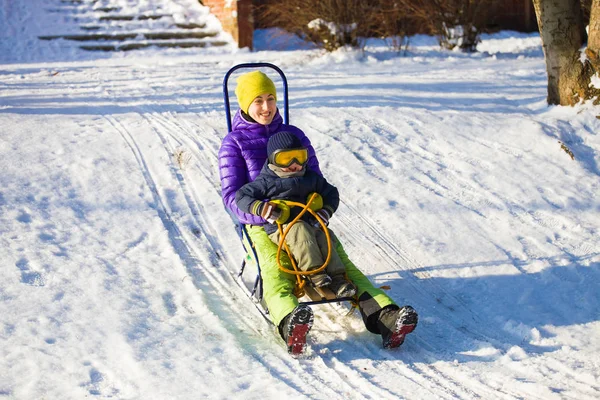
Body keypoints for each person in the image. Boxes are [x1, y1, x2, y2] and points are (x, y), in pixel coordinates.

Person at [218, 70, 418, 355]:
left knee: (343, 266)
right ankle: (290, 321)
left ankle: (386, 317)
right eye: (258, 100)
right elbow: (231, 196)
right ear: (244, 105)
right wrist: (265, 213)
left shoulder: (295, 135)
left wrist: (320, 209)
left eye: (271, 98)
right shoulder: (234, 143)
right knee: (277, 272)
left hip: (307, 217)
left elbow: (317, 181)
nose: (266, 107)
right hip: (263, 223)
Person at [235, 131, 358, 298]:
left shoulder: (310, 177)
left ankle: (337, 278)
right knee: (301, 230)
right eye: (286, 159)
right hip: (281, 229)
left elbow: (332, 193)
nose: (294, 164)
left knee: (325, 236)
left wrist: (325, 211)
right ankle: (314, 274)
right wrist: (261, 208)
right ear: (273, 160)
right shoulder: (266, 181)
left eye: (299, 157)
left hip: (310, 223)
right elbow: (241, 196)